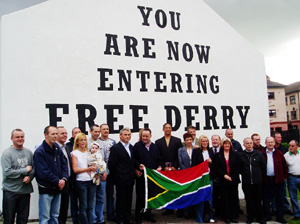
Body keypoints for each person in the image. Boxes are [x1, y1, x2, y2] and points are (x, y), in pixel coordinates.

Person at [108, 128, 144, 224]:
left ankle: (128, 217)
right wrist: (118, 174)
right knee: (120, 200)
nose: (127, 136)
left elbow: (132, 160)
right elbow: (111, 164)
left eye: (129, 134)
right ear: (120, 136)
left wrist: (138, 165)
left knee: (128, 199)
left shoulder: (131, 147)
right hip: (121, 179)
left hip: (130, 178)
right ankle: (120, 218)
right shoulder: (116, 148)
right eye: (125, 134)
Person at [34, 126, 68, 224]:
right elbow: (43, 172)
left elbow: (64, 165)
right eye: (53, 134)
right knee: (45, 217)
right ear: (46, 135)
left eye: (56, 134)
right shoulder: (40, 151)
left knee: (55, 216)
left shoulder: (57, 149)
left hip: (58, 188)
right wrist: (58, 181)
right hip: (46, 189)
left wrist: (64, 179)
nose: (55, 136)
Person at [1, 128, 35, 224]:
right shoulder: (7, 154)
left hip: (25, 192)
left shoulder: (28, 152)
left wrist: (30, 177)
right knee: (9, 219)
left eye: (22, 136)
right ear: (12, 138)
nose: (20, 139)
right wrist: (24, 170)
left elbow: (34, 168)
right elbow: (7, 172)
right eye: (17, 137)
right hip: (11, 192)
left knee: (23, 219)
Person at [132, 128, 163, 224]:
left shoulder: (155, 147)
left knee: (150, 196)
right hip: (141, 176)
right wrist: (136, 168)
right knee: (141, 196)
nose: (145, 138)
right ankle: (139, 216)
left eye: (146, 136)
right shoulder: (137, 146)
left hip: (152, 177)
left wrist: (160, 166)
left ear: (150, 136)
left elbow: (159, 159)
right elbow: (133, 159)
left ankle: (148, 214)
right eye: (143, 136)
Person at [155, 123, 182, 216]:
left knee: (175, 188)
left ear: (171, 129)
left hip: (174, 168)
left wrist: (175, 166)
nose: (167, 129)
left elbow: (179, 155)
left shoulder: (177, 141)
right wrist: (163, 166)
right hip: (164, 169)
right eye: (166, 128)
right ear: (163, 129)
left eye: (169, 128)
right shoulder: (158, 142)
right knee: (166, 188)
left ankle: (177, 208)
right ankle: (168, 209)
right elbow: (158, 156)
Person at [71, 133, 97, 224]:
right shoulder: (74, 153)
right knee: (83, 206)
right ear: (77, 142)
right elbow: (75, 169)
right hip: (81, 181)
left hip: (91, 180)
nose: (83, 142)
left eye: (84, 140)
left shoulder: (89, 153)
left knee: (90, 206)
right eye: (81, 140)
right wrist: (88, 169)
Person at [262, 136, 288, 223]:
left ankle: (280, 217)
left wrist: (283, 177)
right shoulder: (261, 153)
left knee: (279, 199)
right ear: (265, 143)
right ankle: (267, 216)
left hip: (277, 180)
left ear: (274, 143)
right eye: (268, 142)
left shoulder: (279, 153)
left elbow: (285, 166)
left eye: (271, 142)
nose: (270, 144)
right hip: (266, 180)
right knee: (266, 199)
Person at [239, 138, 266, 224]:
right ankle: (250, 217)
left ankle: (260, 217)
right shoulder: (241, 155)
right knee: (249, 201)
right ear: (244, 145)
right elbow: (239, 168)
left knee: (258, 200)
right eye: (247, 143)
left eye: (250, 143)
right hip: (247, 182)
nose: (249, 145)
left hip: (257, 182)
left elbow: (263, 167)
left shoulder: (258, 154)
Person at [214, 137, 240, 224]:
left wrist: (232, 176)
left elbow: (238, 167)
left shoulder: (235, 154)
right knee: (225, 199)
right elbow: (216, 168)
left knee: (233, 199)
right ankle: (226, 217)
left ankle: (234, 216)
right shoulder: (218, 155)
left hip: (233, 180)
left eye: (228, 144)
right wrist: (224, 175)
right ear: (222, 145)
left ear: (230, 145)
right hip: (223, 180)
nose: (227, 145)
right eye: (225, 144)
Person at [178, 132, 203, 222]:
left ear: (192, 140)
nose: (189, 141)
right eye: (187, 140)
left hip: (195, 174)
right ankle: (186, 212)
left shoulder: (196, 149)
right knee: (186, 194)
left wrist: (194, 172)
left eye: (190, 140)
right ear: (184, 141)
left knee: (194, 193)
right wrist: (186, 172)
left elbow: (198, 161)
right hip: (185, 174)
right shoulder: (180, 150)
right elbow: (180, 162)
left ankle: (193, 213)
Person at [87, 124, 109, 224]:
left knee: (101, 198)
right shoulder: (86, 143)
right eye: (95, 131)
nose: (97, 133)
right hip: (91, 176)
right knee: (91, 199)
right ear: (90, 131)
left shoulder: (103, 144)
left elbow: (107, 160)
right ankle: (92, 219)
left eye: (98, 131)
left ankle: (100, 219)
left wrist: (106, 173)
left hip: (102, 176)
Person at [99, 123, 117, 222]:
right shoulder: (97, 142)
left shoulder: (113, 142)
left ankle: (111, 214)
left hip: (111, 173)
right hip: (101, 173)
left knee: (110, 195)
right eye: (104, 129)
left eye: (107, 129)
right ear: (101, 131)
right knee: (99, 196)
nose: (106, 130)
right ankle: (99, 216)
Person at [56, 126, 72, 224]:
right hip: (58, 182)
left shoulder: (65, 147)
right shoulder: (55, 147)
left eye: (66, 133)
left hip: (67, 180)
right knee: (56, 209)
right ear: (56, 135)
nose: (65, 135)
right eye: (62, 133)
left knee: (64, 207)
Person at [65, 127, 81, 224]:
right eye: (76, 132)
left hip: (83, 178)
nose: (78, 134)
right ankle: (75, 219)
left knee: (84, 201)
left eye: (79, 132)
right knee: (74, 200)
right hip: (72, 178)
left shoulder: (84, 145)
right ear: (72, 135)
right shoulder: (68, 146)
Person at [274, 132, 292, 215]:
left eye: (280, 137)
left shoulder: (284, 149)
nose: (280, 139)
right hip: (273, 174)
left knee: (283, 192)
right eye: (278, 137)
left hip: (281, 174)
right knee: (273, 193)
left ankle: (286, 207)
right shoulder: (272, 149)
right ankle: (274, 208)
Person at [284, 140, 300, 221]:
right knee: (293, 197)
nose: (290, 147)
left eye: (292, 146)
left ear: (297, 146)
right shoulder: (286, 156)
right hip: (292, 178)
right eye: (289, 145)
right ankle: (297, 214)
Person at [210, 134, 221, 217]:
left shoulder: (223, 150)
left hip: (221, 176)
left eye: (216, 140)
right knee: (214, 195)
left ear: (219, 141)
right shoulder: (209, 150)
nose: (215, 141)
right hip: (212, 176)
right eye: (213, 140)